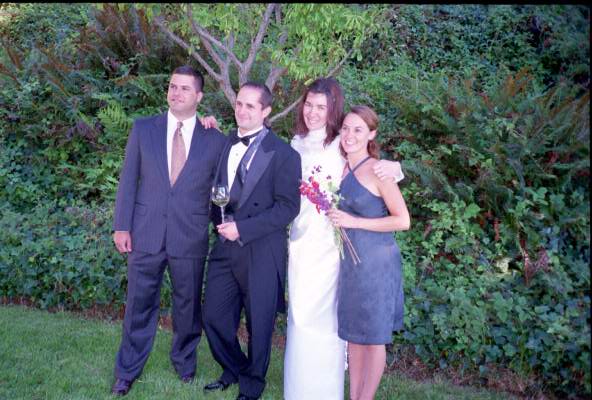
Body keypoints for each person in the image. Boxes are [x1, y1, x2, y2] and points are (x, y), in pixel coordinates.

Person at [284, 78, 404, 400]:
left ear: (332, 109)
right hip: (301, 240)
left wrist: (396, 167)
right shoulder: (296, 143)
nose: (312, 112)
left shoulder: (340, 142)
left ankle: (327, 390)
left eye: (321, 107)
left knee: (330, 320)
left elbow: (375, 169)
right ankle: (300, 389)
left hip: (333, 245)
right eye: (308, 105)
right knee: (301, 316)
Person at [110, 66, 226, 396]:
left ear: (199, 96)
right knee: (139, 304)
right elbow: (128, 180)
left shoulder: (215, 140)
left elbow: (220, 190)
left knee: (188, 306)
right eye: (173, 86)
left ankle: (185, 363)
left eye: (185, 89)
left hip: (190, 235)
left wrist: (223, 227)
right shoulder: (144, 128)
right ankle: (127, 370)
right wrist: (122, 226)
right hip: (145, 233)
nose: (176, 93)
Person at [201, 82, 301, 400]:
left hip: (261, 250)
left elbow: (288, 208)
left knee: (259, 325)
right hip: (224, 247)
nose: (242, 111)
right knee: (213, 316)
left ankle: (252, 384)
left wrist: (242, 228)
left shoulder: (284, 154)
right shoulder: (227, 142)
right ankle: (234, 368)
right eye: (239, 104)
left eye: (250, 106)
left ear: (266, 111)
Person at [327, 105, 410, 400]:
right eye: (346, 128)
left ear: (372, 134)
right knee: (354, 336)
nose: (350, 135)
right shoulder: (341, 167)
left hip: (376, 263)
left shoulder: (378, 170)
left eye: (358, 130)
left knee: (373, 338)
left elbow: (403, 220)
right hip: (351, 265)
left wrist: (355, 222)